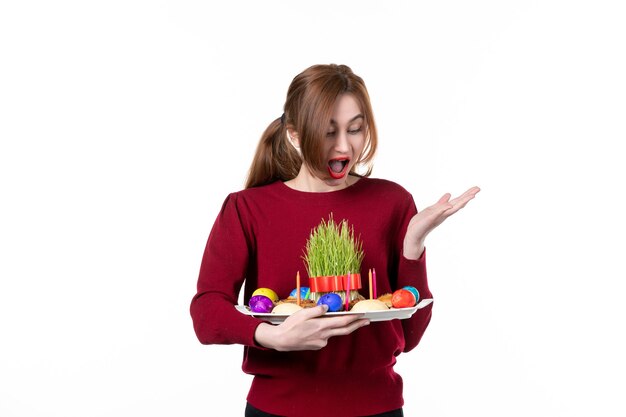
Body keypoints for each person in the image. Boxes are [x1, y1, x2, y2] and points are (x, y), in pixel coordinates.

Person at [190, 64, 480, 417]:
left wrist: (413, 247)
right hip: (277, 410)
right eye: (328, 132)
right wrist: (271, 336)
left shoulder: (392, 202)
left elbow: (411, 334)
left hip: (377, 408)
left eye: (355, 129)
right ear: (295, 135)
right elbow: (207, 312)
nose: (344, 145)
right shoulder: (247, 208)